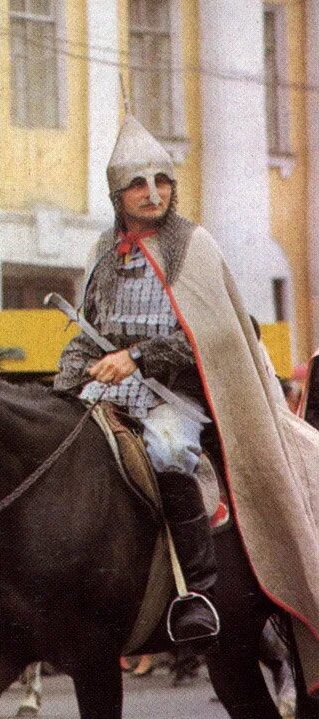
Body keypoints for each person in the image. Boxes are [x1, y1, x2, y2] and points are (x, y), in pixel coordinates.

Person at [54, 114, 291, 646]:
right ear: (118, 194)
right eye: (138, 184)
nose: (152, 192)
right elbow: (91, 331)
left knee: (164, 450)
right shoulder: (102, 250)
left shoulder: (196, 245)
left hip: (179, 394)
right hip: (111, 390)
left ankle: (196, 592)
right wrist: (61, 388)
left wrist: (138, 356)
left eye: (161, 181)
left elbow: (227, 331)